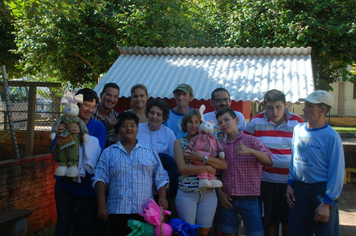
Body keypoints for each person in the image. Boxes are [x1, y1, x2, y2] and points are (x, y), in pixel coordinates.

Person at [93, 111, 169, 235]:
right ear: (119, 128)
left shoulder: (149, 150)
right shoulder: (109, 152)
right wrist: (101, 205)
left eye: (132, 125)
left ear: (137, 128)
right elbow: (99, 179)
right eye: (124, 125)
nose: (129, 128)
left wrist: (162, 197)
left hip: (145, 212)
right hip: (117, 210)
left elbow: (161, 177)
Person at [244, 89, 304, 236]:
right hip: (265, 183)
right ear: (265, 106)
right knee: (269, 223)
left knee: (289, 223)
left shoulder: (298, 122)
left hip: (290, 183)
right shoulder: (256, 122)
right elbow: (244, 146)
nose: (274, 111)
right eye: (270, 107)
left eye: (278, 107)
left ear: (285, 104)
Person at [286, 90, 345, 236]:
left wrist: (326, 202)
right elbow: (294, 158)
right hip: (300, 190)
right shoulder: (298, 129)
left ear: (323, 110)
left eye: (310, 106)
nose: (304, 109)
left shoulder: (331, 137)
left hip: (321, 191)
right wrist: (290, 183)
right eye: (305, 105)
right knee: (297, 231)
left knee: (324, 232)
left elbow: (337, 171)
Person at [51, 88, 106, 236]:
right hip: (65, 184)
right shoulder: (64, 123)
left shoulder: (98, 127)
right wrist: (60, 139)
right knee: (63, 225)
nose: (90, 110)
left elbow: (98, 153)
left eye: (93, 107)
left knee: (86, 227)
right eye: (87, 105)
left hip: (88, 186)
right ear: (78, 104)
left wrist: (82, 134)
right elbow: (56, 157)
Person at [216, 107, 273, 236]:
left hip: (250, 199)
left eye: (226, 120)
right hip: (228, 198)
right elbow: (217, 174)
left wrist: (251, 150)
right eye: (220, 122)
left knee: (255, 233)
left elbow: (269, 161)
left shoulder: (251, 141)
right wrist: (220, 193)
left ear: (236, 120)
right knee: (227, 232)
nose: (223, 124)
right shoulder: (221, 147)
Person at [174, 109, 227, 236]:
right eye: (190, 122)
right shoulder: (179, 143)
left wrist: (203, 159)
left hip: (208, 194)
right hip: (187, 193)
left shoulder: (212, 141)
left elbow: (223, 165)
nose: (193, 125)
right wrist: (208, 168)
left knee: (204, 232)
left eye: (197, 122)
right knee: (188, 232)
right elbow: (182, 168)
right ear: (185, 124)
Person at [92, 83, 120, 147]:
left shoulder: (117, 118)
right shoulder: (90, 111)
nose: (112, 99)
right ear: (101, 95)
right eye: (109, 95)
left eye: (115, 96)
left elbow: (111, 146)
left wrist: (110, 129)